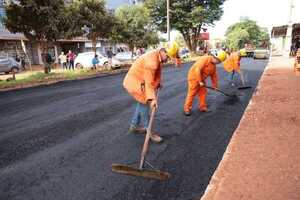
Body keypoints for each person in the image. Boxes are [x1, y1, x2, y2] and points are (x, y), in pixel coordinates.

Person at [123, 42, 180, 142]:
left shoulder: (157, 56)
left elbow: (157, 73)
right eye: (168, 57)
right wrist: (152, 99)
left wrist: (158, 83)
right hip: (135, 82)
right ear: (163, 51)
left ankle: (134, 125)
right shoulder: (151, 62)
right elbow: (149, 82)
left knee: (141, 104)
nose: (168, 60)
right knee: (145, 103)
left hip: (140, 81)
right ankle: (149, 132)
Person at [183, 50, 227, 116]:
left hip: (201, 79)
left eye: (220, 62)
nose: (218, 63)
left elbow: (214, 76)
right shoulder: (205, 59)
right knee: (192, 93)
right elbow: (197, 69)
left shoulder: (213, 66)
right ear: (215, 57)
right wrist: (199, 81)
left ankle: (202, 107)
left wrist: (215, 86)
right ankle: (187, 108)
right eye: (218, 61)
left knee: (203, 92)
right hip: (193, 77)